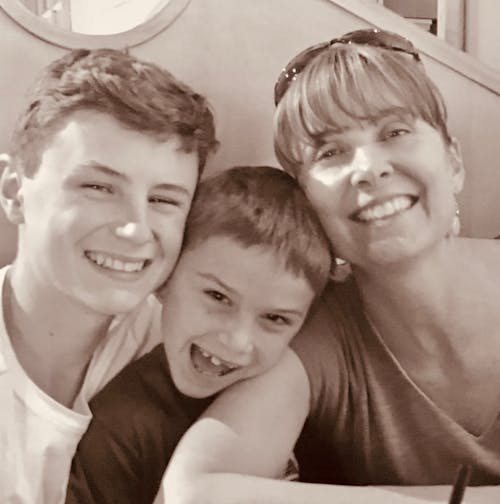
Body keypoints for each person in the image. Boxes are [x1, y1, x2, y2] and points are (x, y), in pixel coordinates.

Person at [160, 29, 500, 503]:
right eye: (330, 152)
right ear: (308, 203)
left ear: (454, 162)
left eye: (394, 132)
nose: (369, 168)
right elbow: (196, 492)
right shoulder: (321, 339)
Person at [0, 48, 218, 504]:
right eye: (98, 187)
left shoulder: (192, 348)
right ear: (14, 192)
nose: (136, 229)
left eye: (164, 200)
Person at [64, 165, 332, 503]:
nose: (237, 340)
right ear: (164, 280)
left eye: (275, 318)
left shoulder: (316, 398)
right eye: (218, 297)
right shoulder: (122, 427)